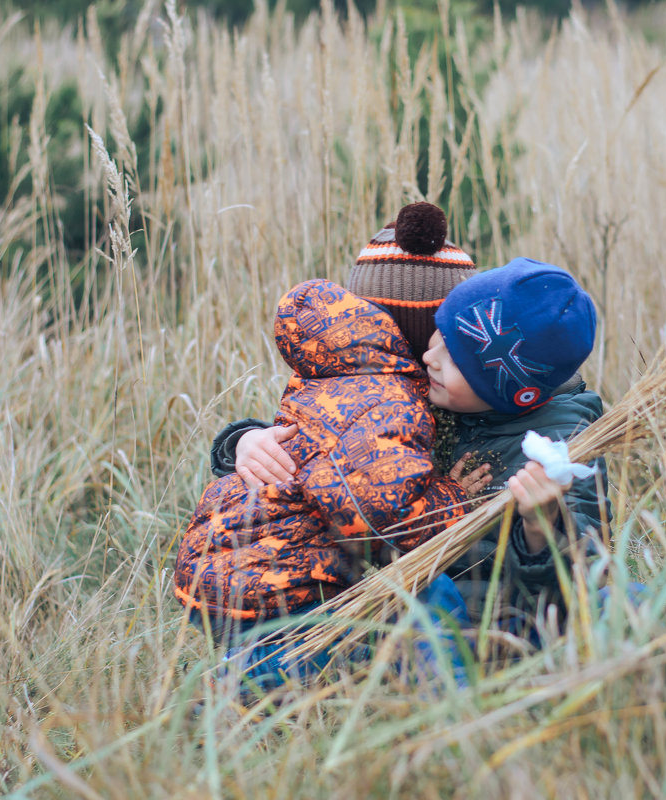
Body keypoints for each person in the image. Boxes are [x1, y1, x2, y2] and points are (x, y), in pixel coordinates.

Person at [217, 257, 610, 640]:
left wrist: (542, 525)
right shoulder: (438, 397)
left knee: (620, 602)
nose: (428, 359)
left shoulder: (562, 445)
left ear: (506, 389)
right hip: (389, 604)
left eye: (454, 359)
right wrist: (247, 441)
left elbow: (578, 580)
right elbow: (332, 439)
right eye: (438, 339)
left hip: (484, 624)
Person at [175, 202, 481, 694]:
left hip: (232, 568)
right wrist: (242, 442)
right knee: (415, 605)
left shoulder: (338, 367)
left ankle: (261, 667)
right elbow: (382, 512)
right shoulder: (387, 395)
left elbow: (320, 447)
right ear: (427, 332)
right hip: (286, 580)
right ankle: (244, 685)